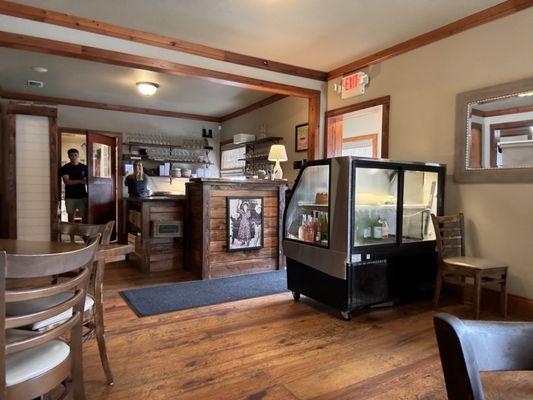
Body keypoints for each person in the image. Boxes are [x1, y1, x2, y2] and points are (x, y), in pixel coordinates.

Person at [59, 148, 88, 223]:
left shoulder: (84, 167)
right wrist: (81, 181)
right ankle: (72, 235)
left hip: (82, 196)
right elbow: (67, 182)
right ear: (69, 156)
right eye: (71, 155)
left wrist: (81, 181)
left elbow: (88, 181)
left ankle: (84, 234)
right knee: (71, 218)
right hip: (70, 196)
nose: (74, 157)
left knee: (85, 217)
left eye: (75, 155)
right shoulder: (65, 168)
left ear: (78, 155)